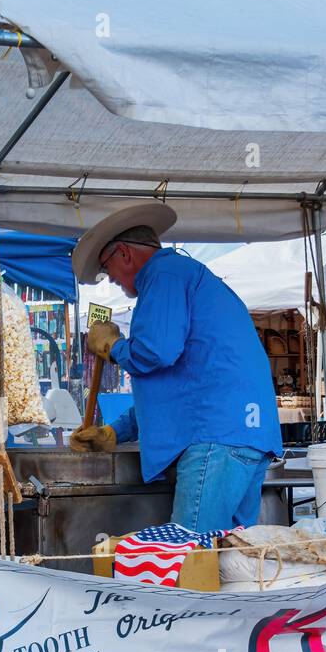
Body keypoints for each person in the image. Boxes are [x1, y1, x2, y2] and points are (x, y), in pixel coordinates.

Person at [68, 203, 282, 532]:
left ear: (124, 253)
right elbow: (176, 385)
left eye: (107, 267)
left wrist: (113, 347)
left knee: (189, 559)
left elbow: (156, 352)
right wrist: (115, 433)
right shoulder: (187, 277)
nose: (109, 279)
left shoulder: (163, 276)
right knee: (229, 562)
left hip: (216, 440)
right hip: (245, 435)